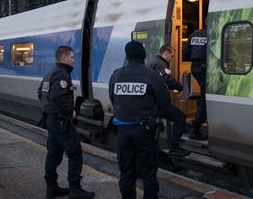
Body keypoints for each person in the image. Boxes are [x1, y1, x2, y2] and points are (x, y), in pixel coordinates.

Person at [109, 40, 171, 199]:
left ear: (127, 55)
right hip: (145, 131)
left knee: (126, 171)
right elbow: (164, 102)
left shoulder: (116, 75)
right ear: (143, 55)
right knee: (148, 173)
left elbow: (113, 99)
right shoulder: (151, 75)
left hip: (123, 131)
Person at [37, 45, 95, 199]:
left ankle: (52, 188)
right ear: (63, 58)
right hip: (61, 121)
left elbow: (40, 92)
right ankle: (75, 190)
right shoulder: (62, 74)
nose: (74, 59)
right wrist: (70, 111)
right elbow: (58, 97)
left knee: (54, 154)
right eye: (71, 57)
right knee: (75, 153)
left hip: (51, 120)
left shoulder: (50, 73)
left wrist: (48, 108)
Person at [148, 44, 190, 157]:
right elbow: (167, 81)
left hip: (153, 102)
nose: (172, 59)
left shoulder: (154, 62)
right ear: (165, 53)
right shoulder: (161, 64)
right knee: (180, 117)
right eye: (172, 56)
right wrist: (181, 87)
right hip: (157, 104)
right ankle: (174, 148)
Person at [183, 20, 208, 140]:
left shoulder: (194, 34)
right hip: (205, 67)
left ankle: (199, 117)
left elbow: (186, 51)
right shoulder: (211, 34)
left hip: (195, 67)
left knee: (203, 94)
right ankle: (196, 127)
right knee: (204, 96)